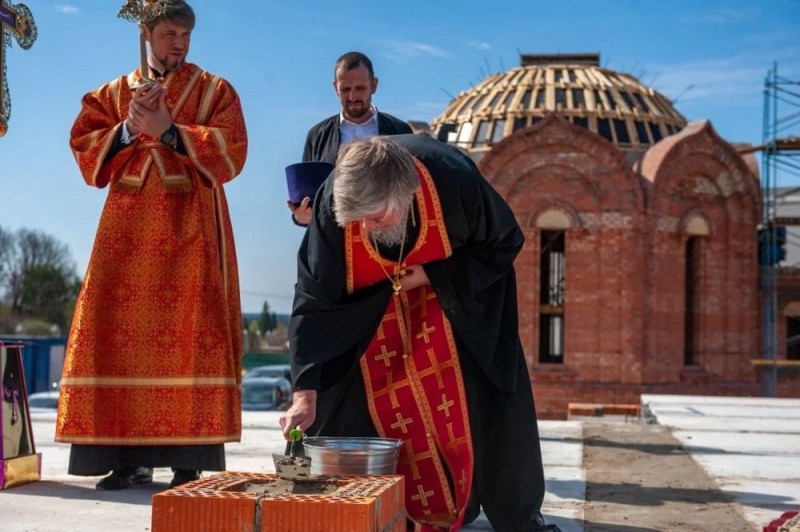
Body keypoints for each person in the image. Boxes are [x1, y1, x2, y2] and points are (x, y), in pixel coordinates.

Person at [280, 135, 560, 532]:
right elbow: (313, 296)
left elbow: (504, 242)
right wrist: (304, 391)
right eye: (357, 221)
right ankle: (395, 514)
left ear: (405, 194)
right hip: (371, 319)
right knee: (348, 404)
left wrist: (432, 275)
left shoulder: (453, 179)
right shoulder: (332, 204)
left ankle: (498, 509)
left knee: (478, 406)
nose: (367, 229)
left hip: (450, 305)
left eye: (377, 218)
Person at [56, 0, 248, 491]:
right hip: (126, 233)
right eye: (168, 33)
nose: (179, 42)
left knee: (191, 334)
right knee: (118, 333)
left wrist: (169, 132)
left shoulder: (214, 90)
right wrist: (125, 130)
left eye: (185, 34)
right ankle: (127, 459)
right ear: (146, 34)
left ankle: (188, 460)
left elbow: (232, 148)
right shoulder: (116, 92)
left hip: (191, 232)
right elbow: (83, 140)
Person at [287, 51, 412, 226]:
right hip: (333, 244)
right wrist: (301, 217)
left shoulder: (400, 131)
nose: (352, 97)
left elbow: (412, 192)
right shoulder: (317, 136)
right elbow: (307, 201)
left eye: (360, 88)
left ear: (374, 85)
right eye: (345, 89)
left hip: (385, 240)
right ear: (335, 87)